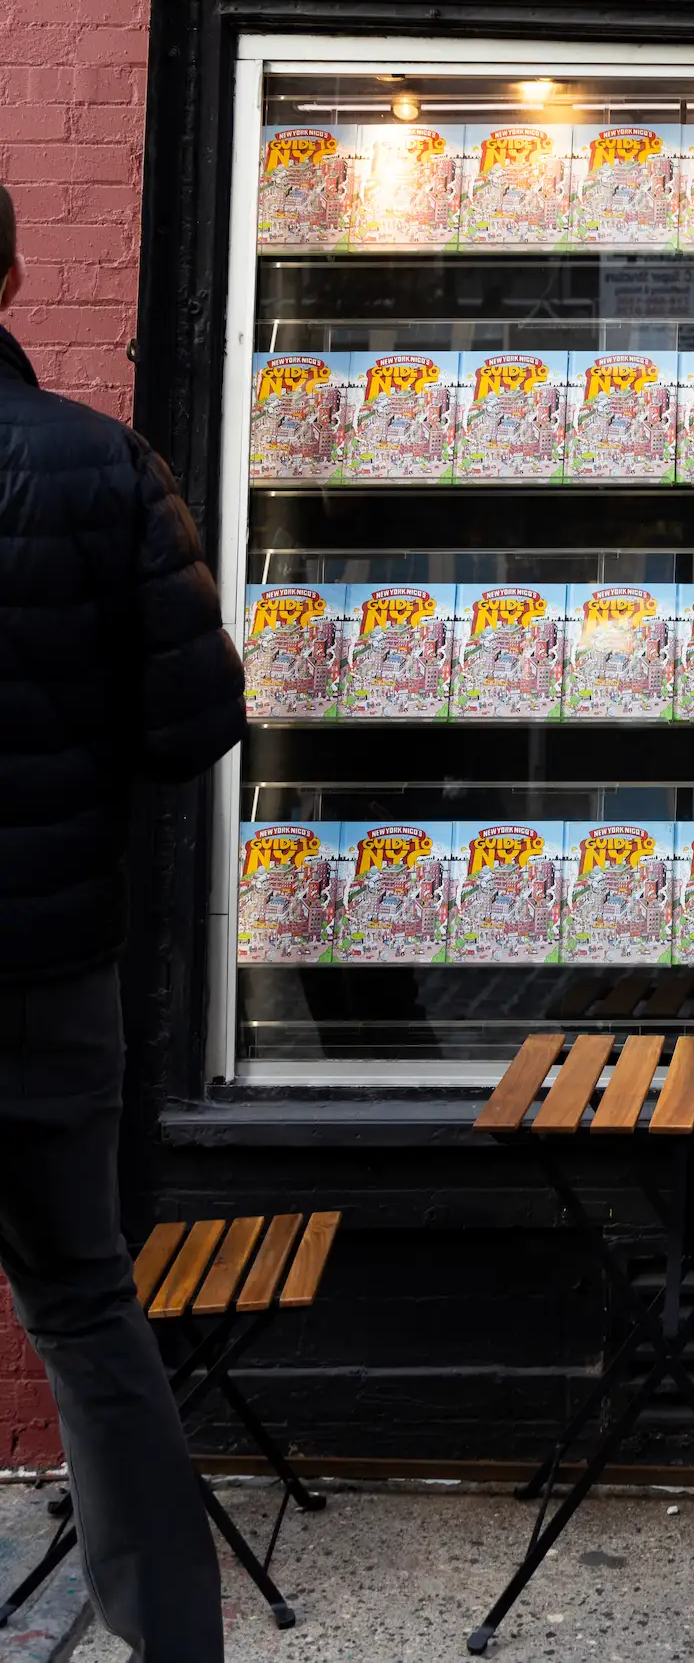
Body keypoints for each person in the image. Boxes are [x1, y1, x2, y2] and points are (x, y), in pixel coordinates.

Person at [0, 182, 243, 1662]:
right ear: (13, 276)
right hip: (47, 978)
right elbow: (194, 721)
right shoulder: (100, 463)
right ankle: (174, 1646)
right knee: (89, 1308)